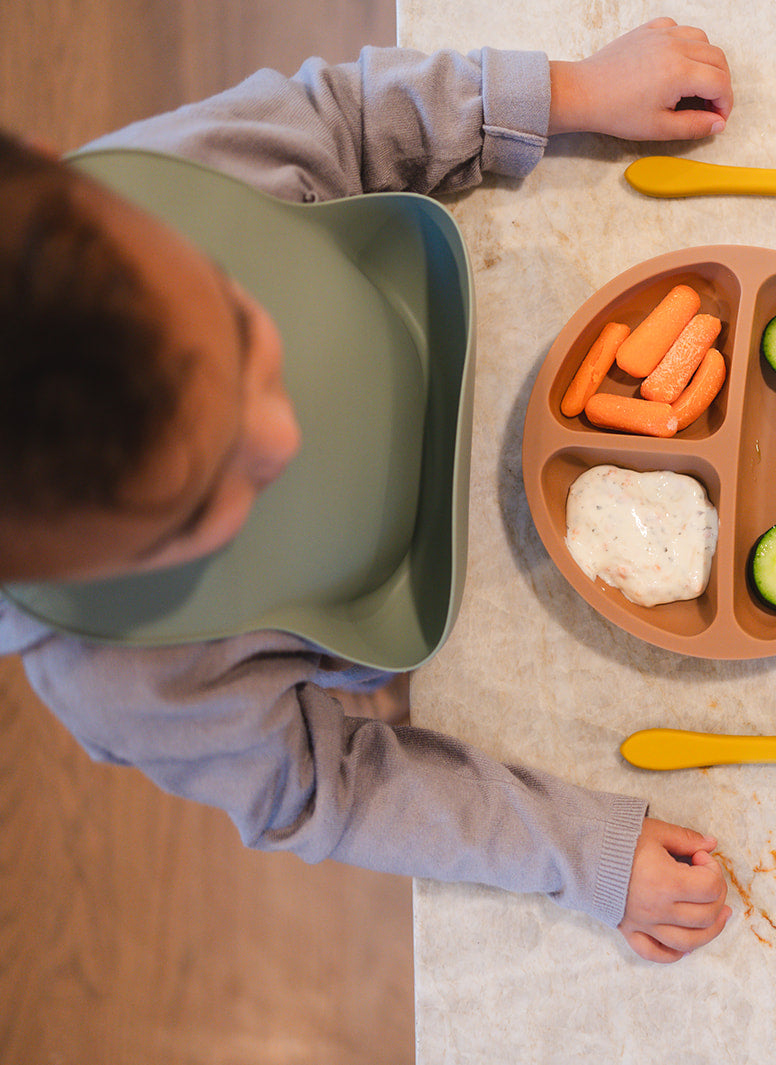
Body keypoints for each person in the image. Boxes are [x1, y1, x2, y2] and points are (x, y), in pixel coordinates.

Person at [0, 18, 733, 964]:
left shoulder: (174, 177)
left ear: (54, 170)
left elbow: (346, 121)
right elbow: (331, 787)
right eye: (203, 506)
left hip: (431, 298)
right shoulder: (126, 682)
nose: (283, 435)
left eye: (243, 333)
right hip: (401, 608)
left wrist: (573, 93)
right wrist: (578, 850)